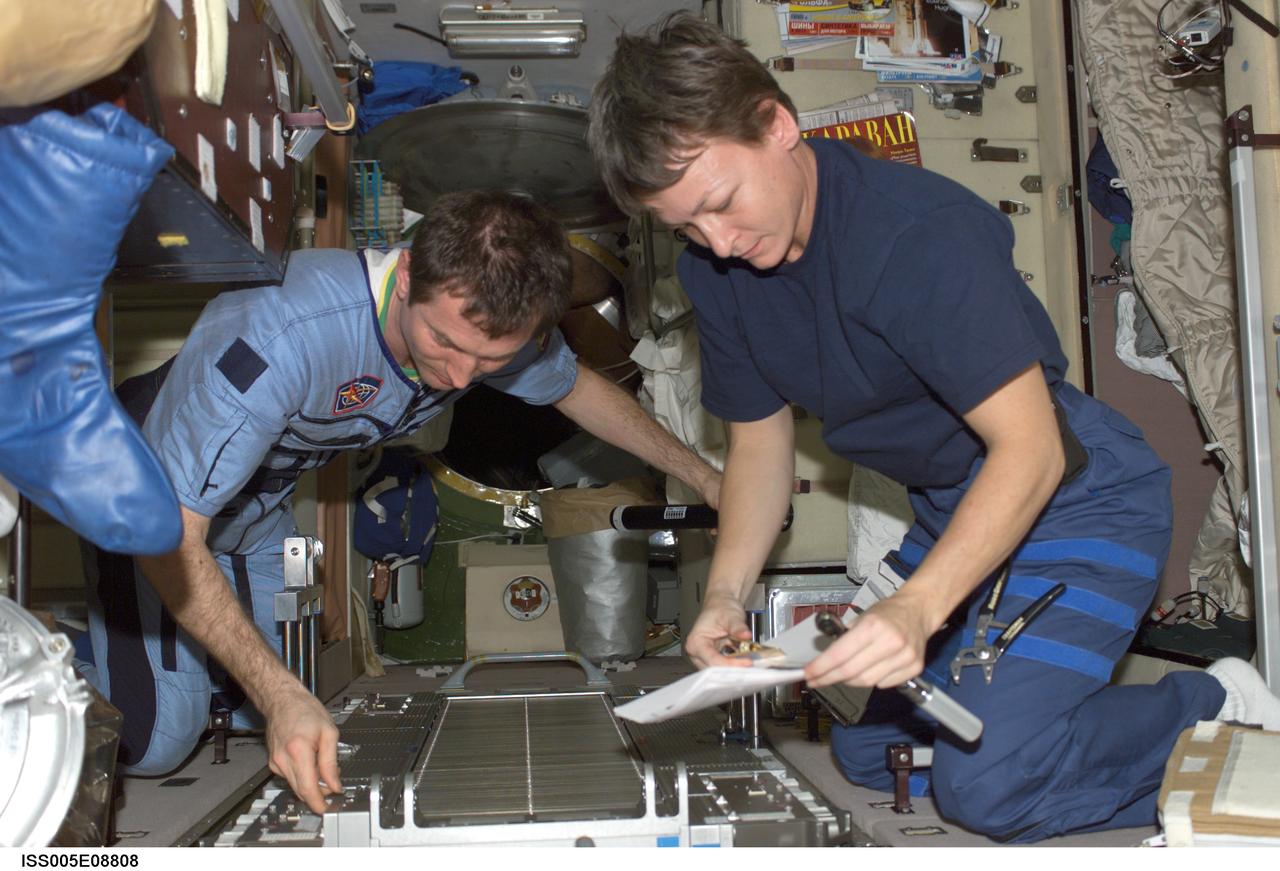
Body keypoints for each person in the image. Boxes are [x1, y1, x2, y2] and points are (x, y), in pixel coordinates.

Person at [587, 12, 1280, 842]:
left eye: (722, 204)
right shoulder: (718, 272)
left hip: (1078, 497)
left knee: (988, 787)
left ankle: (1217, 704)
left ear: (777, 124)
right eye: (688, 229)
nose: (720, 243)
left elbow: (1032, 450)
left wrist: (916, 608)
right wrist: (725, 597)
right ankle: (1047, 710)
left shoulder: (913, 235)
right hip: (955, 507)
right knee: (867, 744)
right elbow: (759, 445)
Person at [80, 189, 721, 814]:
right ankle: (47, 650)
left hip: (251, 513)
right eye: (446, 344)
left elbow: (576, 390)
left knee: (286, 706)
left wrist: (705, 476)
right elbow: (169, 533)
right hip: (150, 504)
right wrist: (280, 699)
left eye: (490, 359)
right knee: (159, 741)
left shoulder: (489, 323)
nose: (463, 377)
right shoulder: (282, 334)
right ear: (408, 273)